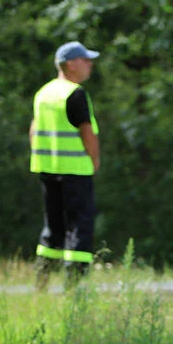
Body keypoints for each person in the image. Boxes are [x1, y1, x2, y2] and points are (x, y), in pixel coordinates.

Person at [29, 41, 102, 290]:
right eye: (85, 60)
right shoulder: (74, 93)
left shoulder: (44, 93)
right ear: (70, 64)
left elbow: (33, 130)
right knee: (79, 228)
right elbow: (87, 132)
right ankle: (73, 291)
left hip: (47, 170)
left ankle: (41, 284)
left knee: (53, 228)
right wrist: (94, 160)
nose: (90, 65)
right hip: (75, 171)